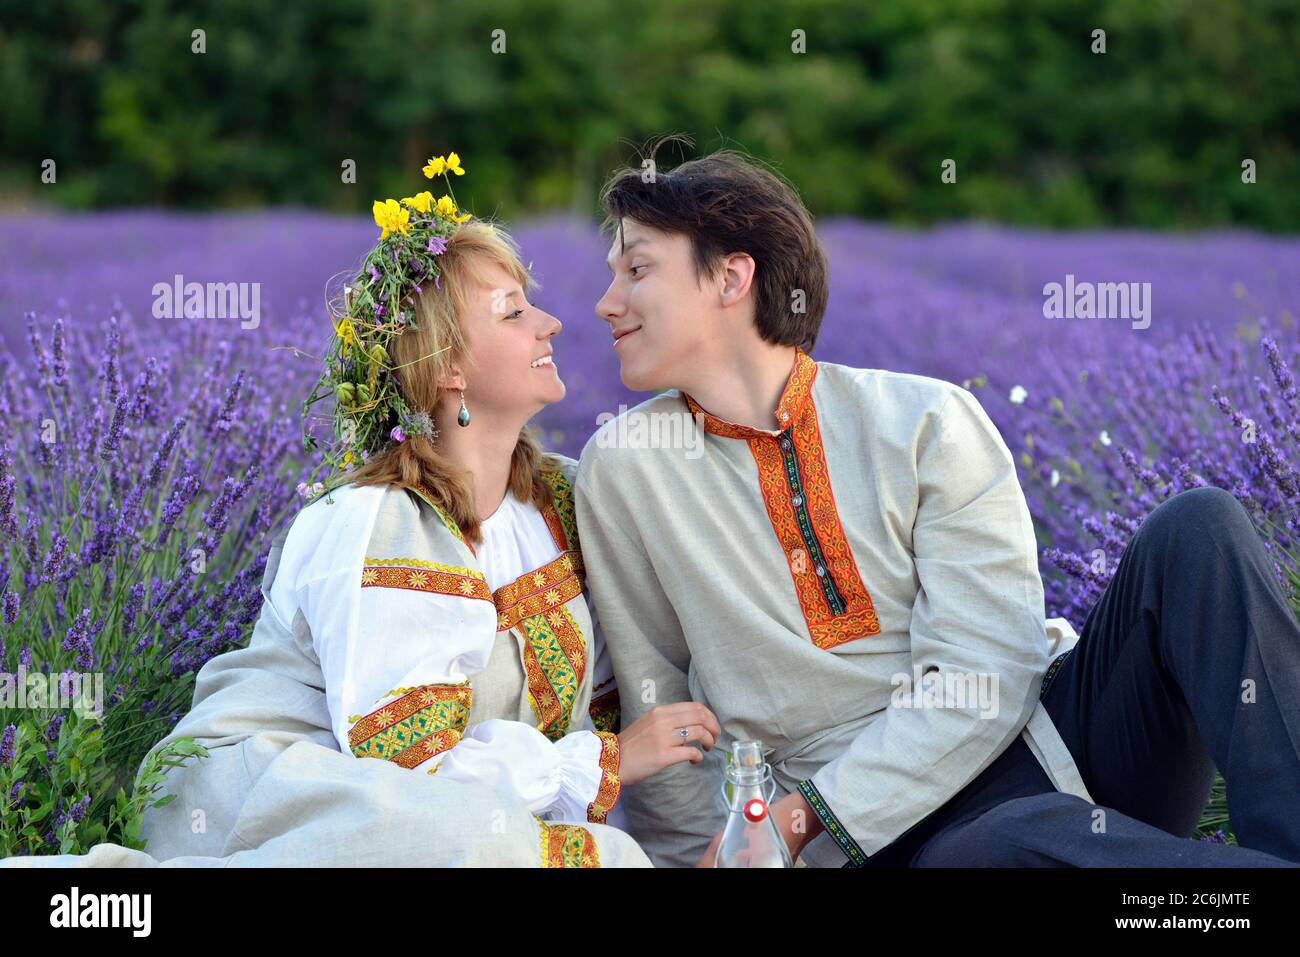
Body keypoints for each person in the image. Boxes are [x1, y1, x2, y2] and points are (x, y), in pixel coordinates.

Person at [574, 143, 1300, 868]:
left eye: (636, 269)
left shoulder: (923, 420)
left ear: (733, 276)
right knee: (998, 847)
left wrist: (799, 816)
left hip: (1051, 749)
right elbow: (662, 710)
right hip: (883, 849)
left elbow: (990, 667)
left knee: (1198, 527)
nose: (606, 302)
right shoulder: (625, 470)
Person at [1, 155, 716, 869]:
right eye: (515, 311)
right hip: (294, 792)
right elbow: (406, 768)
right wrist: (601, 763)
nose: (554, 323)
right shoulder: (377, 521)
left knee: (589, 852)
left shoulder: (561, 498)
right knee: (566, 853)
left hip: (450, 813)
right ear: (447, 368)